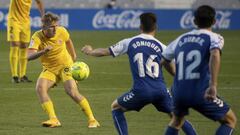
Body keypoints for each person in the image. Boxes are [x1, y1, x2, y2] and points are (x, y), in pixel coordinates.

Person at [81, 12, 196, 135]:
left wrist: (90, 51)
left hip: (141, 91)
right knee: (177, 118)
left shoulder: (130, 42)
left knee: (116, 108)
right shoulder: (163, 47)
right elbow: (173, 71)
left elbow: (105, 52)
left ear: (140, 26)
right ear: (155, 27)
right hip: (161, 91)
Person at [161, 5, 237, 135]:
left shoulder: (180, 39)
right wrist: (213, 85)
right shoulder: (214, 37)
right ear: (214, 21)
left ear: (194, 21)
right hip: (200, 91)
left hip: (178, 91)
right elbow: (214, 54)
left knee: (176, 121)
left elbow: (164, 61)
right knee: (230, 120)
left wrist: (177, 75)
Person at [27, 12, 100, 128]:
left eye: (56, 26)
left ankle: (92, 119)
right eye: (52, 27)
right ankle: (53, 119)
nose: (56, 29)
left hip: (65, 66)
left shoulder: (62, 31)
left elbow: (68, 41)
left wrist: (73, 56)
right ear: (44, 27)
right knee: (40, 88)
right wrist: (43, 51)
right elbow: (29, 56)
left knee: (71, 91)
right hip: (50, 69)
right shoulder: (36, 37)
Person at [8, 0, 45, 83]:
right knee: (15, 44)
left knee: (24, 46)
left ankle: (22, 75)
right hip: (14, 20)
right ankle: (14, 75)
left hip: (25, 21)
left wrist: (42, 15)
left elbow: (39, 2)